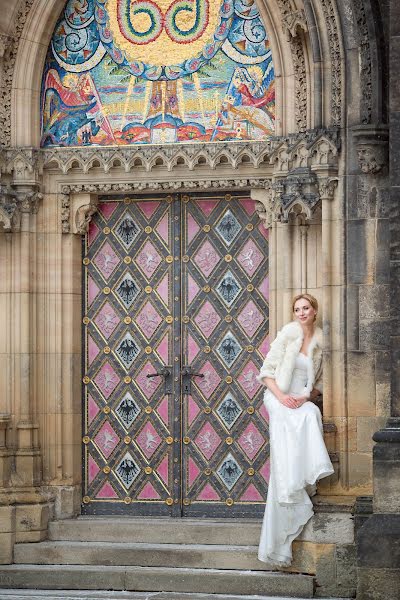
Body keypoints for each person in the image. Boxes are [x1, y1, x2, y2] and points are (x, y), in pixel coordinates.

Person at [257, 294, 334, 567]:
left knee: (311, 413)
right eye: (297, 309)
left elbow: (320, 384)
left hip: (300, 398)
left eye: (306, 308)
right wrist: (281, 397)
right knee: (291, 426)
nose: (301, 313)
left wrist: (305, 397)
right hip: (278, 396)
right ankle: (290, 484)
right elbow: (266, 374)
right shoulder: (287, 335)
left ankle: (303, 477)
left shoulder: (321, 341)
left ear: (314, 310)